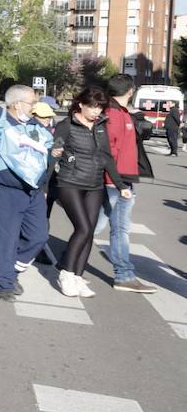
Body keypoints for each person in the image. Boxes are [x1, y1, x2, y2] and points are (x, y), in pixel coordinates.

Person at [49, 86, 126, 298]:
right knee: (82, 228)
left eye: (100, 107)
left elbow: (106, 157)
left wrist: (121, 185)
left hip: (94, 185)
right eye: (92, 107)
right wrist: (43, 185)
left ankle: (78, 276)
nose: (96, 111)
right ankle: (66, 272)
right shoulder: (67, 125)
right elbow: (53, 154)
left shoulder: (101, 126)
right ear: (81, 104)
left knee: (89, 231)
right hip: (69, 182)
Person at [0, 84, 53, 301]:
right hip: (6, 191)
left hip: (33, 191)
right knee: (5, 239)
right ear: (17, 104)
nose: (34, 109)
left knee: (38, 236)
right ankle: (4, 283)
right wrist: (0, 110)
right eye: (31, 103)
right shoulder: (0, 121)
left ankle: (11, 270)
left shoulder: (32, 124)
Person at [100, 74, 157, 293]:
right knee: (100, 228)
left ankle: (123, 275)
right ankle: (69, 266)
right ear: (131, 91)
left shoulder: (120, 112)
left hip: (121, 181)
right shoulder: (114, 114)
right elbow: (109, 152)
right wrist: (117, 183)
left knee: (112, 229)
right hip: (116, 182)